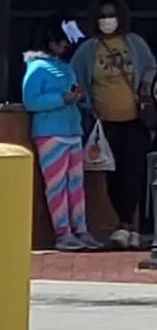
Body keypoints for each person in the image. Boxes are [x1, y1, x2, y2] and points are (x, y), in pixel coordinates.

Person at [71, 0, 157, 251]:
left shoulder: (135, 43)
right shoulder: (88, 50)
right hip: (105, 123)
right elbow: (77, 79)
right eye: (102, 16)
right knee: (113, 174)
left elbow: (151, 68)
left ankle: (130, 225)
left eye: (111, 15)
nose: (107, 21)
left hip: (135, 120)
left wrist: (145, 89)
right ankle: (123, 225)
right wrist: (88, 106)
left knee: (135, 173)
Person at [21, 23, 101, 252]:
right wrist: (61, 98)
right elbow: (31, 100)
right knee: (56, 186)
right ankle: (63, 233)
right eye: (61, 40)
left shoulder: (65, 67)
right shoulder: (36, 68)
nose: (65, 45)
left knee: (76, 185)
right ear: (50, 42)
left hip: (72, 130)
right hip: (50, 133)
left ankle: (81, 229)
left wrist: (78, 97)